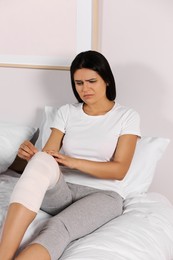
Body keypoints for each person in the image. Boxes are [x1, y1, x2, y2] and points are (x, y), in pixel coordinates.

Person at [0, 50, 141, 260]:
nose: (85, 89)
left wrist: (73, 162)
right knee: (41, 159)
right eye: (79, 83)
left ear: (107, 81)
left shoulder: (126, 116)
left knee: (56, 227)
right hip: (62, 189)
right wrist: (33, 157)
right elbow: (50, 154)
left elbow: (119, 170)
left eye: (92, 81)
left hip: (102, 194)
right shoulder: (67, 112)